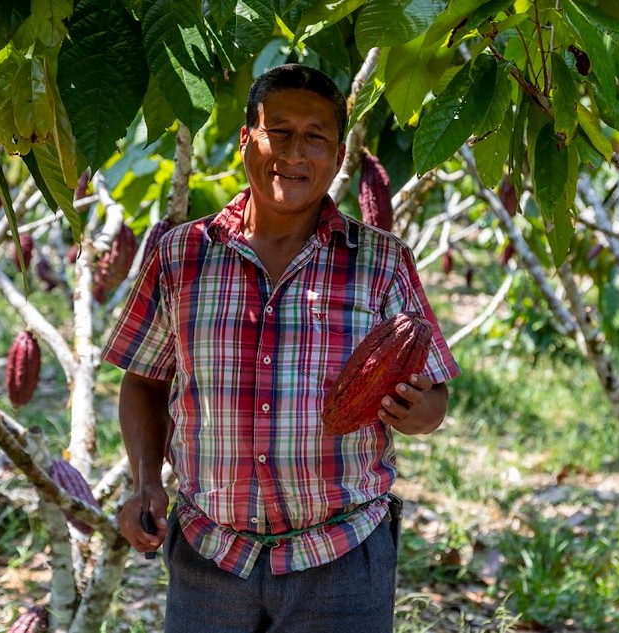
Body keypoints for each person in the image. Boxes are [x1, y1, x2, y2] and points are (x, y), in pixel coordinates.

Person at [102, 63, 460, 633]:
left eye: (315, 136)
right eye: (279, 131)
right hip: (209, 554)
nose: (295, 152)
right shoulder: (181, 255)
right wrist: (146, 482)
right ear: (247, 140)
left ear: (338, 156)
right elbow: (145, 379)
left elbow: (435, 395)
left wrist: (419, 413)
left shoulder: (381, 261)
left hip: (341, 556)